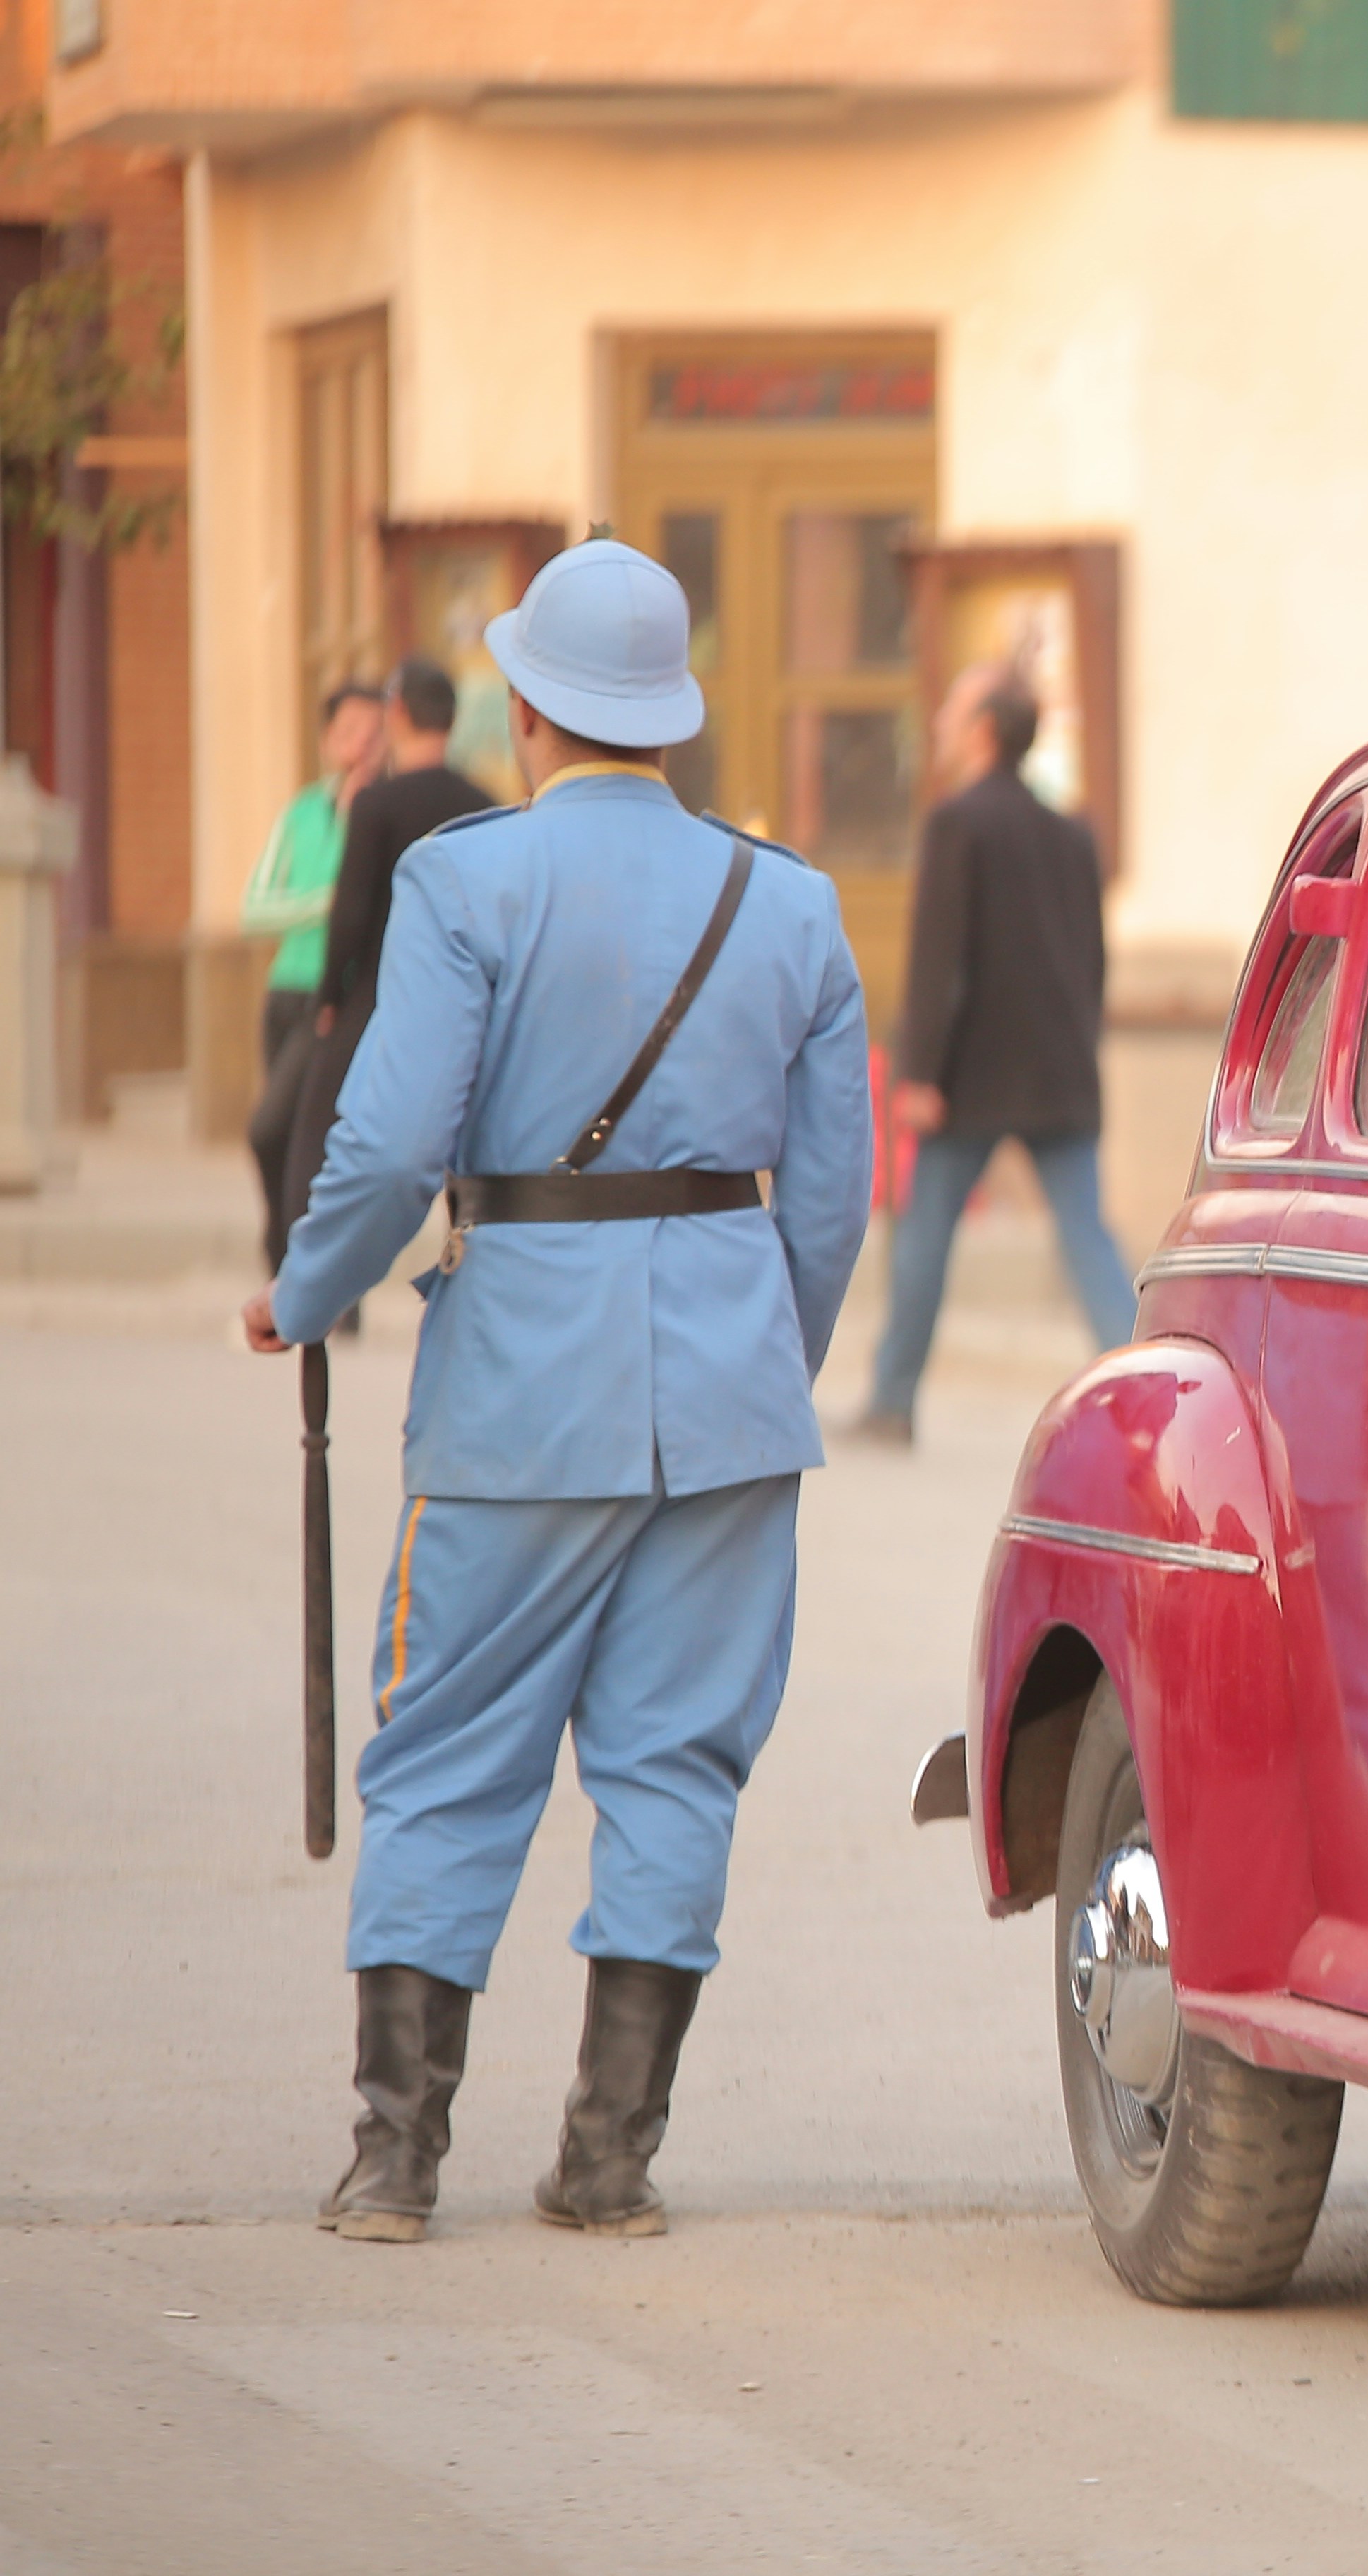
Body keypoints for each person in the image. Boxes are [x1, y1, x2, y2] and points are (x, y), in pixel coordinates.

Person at [240, 538, 871, 2246]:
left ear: (523, 707)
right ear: (666, 715)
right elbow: (827, 1206)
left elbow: (384, 1146)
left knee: (446, 1757)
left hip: (519, 1379)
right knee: (677, 1768)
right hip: (730, 1390)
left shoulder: (469, 882)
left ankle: (394, 2162)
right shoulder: (791, 901)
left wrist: (307, 1291)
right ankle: (609, 2163)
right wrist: (757, 1362)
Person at [849, 667, 1135, 1443]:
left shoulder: (957, 824)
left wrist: (919, 1075)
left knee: (924, 1237)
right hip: (1058, 1072)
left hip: (970, 1081)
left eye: (949, 709)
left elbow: (938, 958)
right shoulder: (1074, 833)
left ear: (981, 731)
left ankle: (892, 1402)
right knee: (1089, 1238)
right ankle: (1153, 1394)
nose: (938, 723)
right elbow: (1093, 959)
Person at [273, 657, 496, 1259]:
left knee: (316, 1136)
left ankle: (320, 1288)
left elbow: (350, 916)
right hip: (465, 997)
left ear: (398, 713)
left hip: (377, 991)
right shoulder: (483, 804)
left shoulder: (376, 806)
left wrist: (329, 1000)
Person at [241, 680, 385, 1266]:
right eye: (349, 733)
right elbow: (255, 909)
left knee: (279, 1132)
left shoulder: (384, 815)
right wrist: (330, 899)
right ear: (327, 740)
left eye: (375, 734)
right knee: (285, 1141)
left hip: (341, 1001)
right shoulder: (302, 812)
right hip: (288, 993)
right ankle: (288, 1255)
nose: (361, 747)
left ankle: (304, 1268)